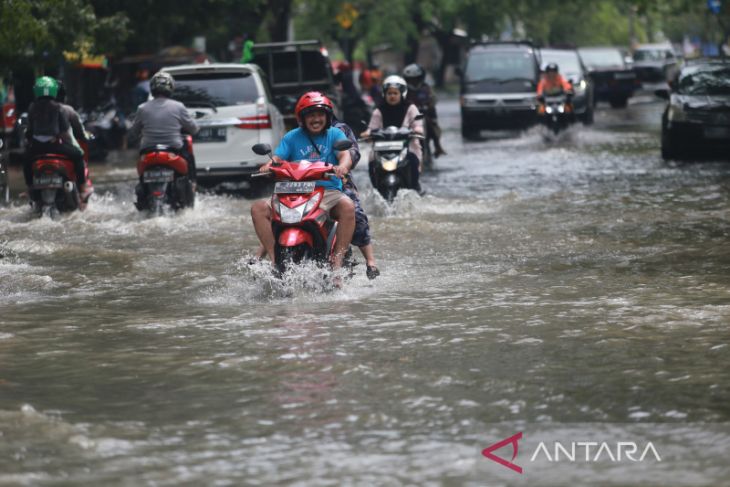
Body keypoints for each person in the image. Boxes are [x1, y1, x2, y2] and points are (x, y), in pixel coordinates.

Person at [250, 91, 355, 273]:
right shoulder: (291, 137)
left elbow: (345, 155)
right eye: (311, 115)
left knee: (348, 207)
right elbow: (276, 158)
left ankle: (337, 264)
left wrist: (343, 167)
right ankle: (274, 259)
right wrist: (268, 166)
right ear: (302, 118)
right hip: (290, 190)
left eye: (320, 114)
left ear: (327, 116)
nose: (316, 119)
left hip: (326, 191)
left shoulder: (335, 134)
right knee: (258, 209)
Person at [128, 71, 199, 182]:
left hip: (148, 151)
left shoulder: (142, 108)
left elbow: (133, 132)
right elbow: (193, 129)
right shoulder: (178, 106)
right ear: (171, 87)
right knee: (188, 156)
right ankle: (192, 184)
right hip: (174, 149)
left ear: (152, 88)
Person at [23, 76, 87, 193]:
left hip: (37, 148)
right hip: (55, 146)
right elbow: (63, 128)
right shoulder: (58, 107)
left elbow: (30, 130)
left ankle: (30, 187)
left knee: (26, 160)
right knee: (78, 156)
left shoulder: (32, 107)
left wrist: (29, 141)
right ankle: (82, 188)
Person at [362, 75, 423, 193]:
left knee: (413, 159)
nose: (392, 96)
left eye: (395, 93)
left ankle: (415, 188)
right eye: (389, 93)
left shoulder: (411, 108)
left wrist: (417, 130)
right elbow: (372, 127)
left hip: (406, 146)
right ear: (385, 94)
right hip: (383, 147)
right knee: (372, 161)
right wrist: (367, 133)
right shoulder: (379, 110)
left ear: (402, 94)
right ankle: (376, 188)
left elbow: (418, 125)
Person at [56, 79, 92, 201]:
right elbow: (79, 131)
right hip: (62, 148)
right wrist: (85, 137)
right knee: (79, 156)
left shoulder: (37, 108)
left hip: (40, 149)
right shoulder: (67, 109)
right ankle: (82, 188)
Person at [403, 63, 446, 157]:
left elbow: (433, 99)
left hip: (424, 114)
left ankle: (437, 146)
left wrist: (429, 105)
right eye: (411, 79)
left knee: (432, 126)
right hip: (409, 116)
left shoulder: (426, 88)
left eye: (415, 78)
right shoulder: (404, 89)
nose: (413, 81)